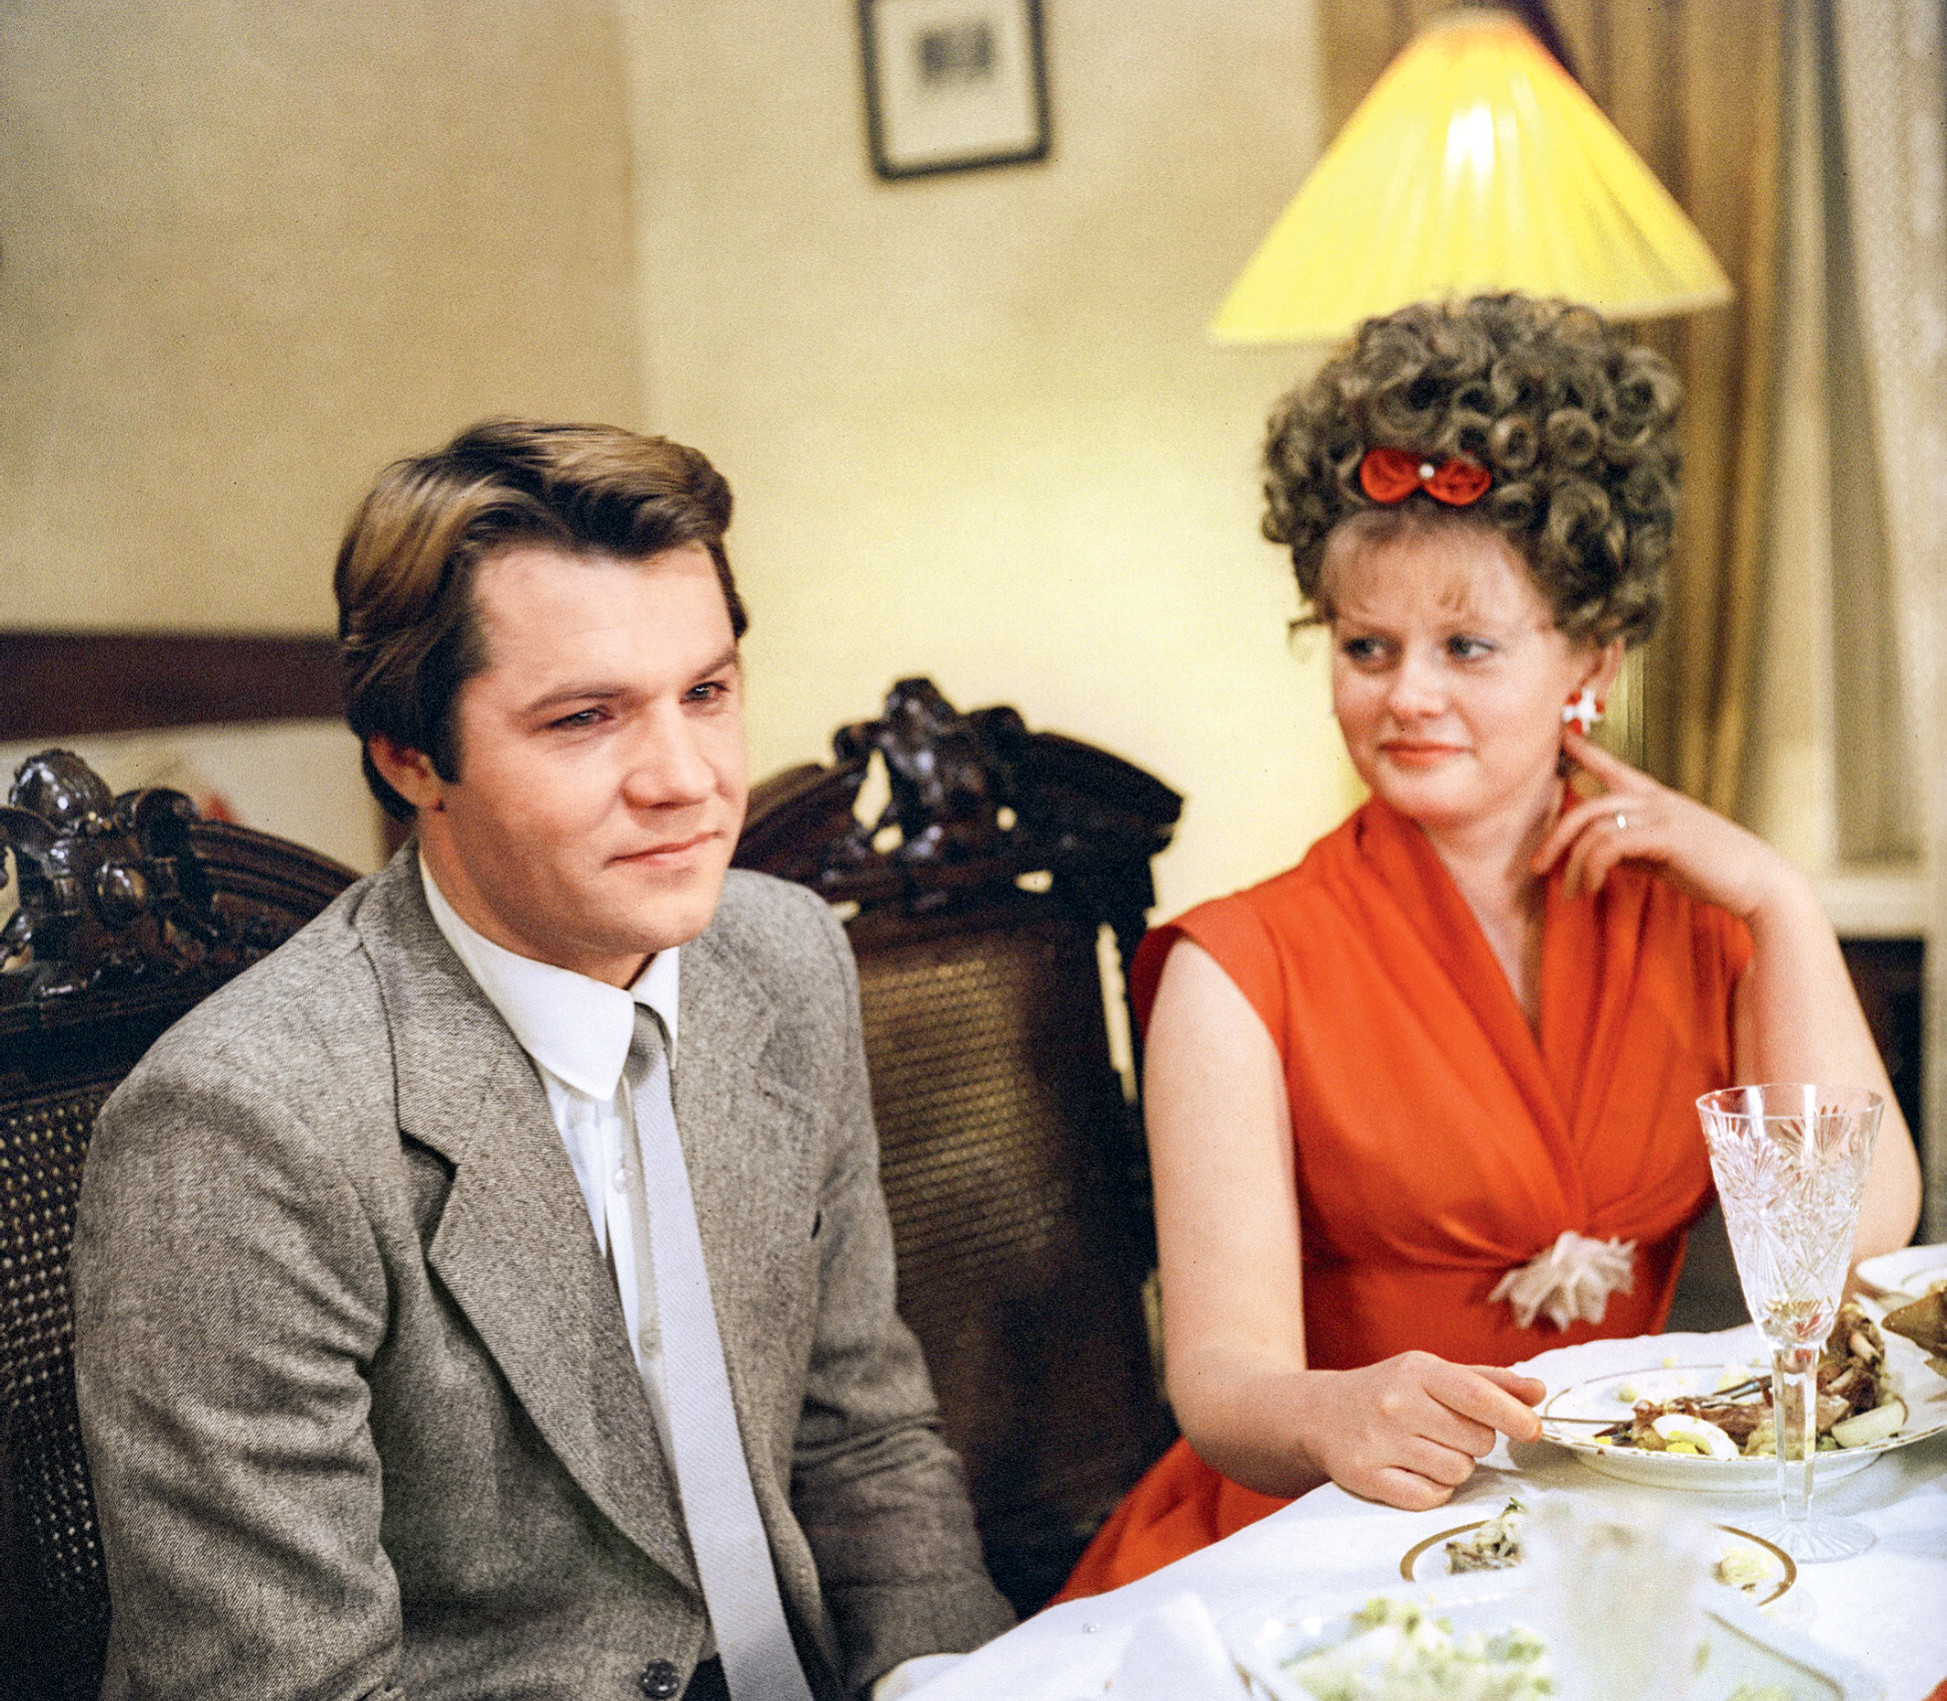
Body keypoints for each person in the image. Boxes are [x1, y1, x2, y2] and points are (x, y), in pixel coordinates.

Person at [72, 421, 1014, 1700]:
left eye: (707, 693)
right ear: (410, 758)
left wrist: (944, 1680)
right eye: (585, 718)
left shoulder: (785, 955)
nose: (686, 780)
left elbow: (867, 1446)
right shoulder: (243, 1124)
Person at [1058, 295, 1924, 1598]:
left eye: (1466, 646)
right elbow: (1221, 1384)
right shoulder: (1232, 967)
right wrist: (1332, 1412)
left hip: (1624, 1525)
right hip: (1323, 1537)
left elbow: (1852, 1249)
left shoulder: (1705, 920)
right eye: (1366, 646)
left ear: (1592, 661)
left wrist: (1778, 900)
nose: (1407, 693)